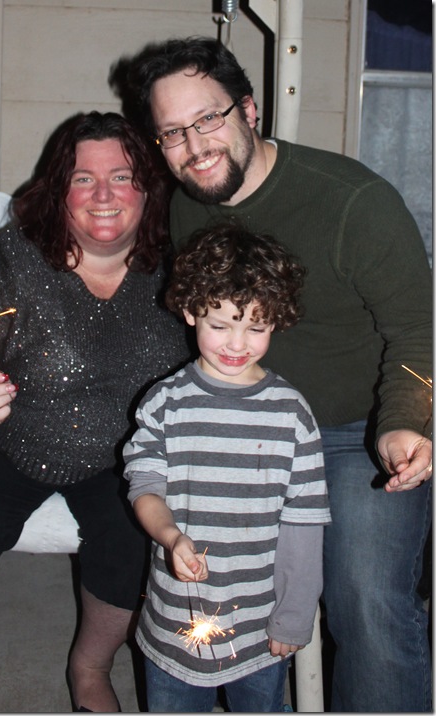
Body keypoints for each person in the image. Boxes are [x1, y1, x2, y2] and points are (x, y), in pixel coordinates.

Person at [114, 37, 433, 712]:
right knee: (198, 581)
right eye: (172, 132)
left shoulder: (354, 203)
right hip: (239, 423)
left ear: (249, 110)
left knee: (366, 599)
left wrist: (403, 421)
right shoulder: (188, 204)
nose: (194, 147)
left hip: (353, 432)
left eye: (208, 119)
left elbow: (418, 332)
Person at [0, 111, 190, 712]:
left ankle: (91, 669)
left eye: (121, 176)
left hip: (127, 455)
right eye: (83, 178)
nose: (103, 194)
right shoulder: (12, 260)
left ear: (148, 188)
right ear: (59, 190)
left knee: (135, 535)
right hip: (4, 443)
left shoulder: (179, 269)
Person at [123, 224, 332, 713]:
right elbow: (145, 486)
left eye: (256, 328)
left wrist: (294, 616)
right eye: (220, 325)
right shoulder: (165, 403)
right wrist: (172, 537)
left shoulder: (292, 414)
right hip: (174, 624)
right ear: (191, 311)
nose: (237, 344)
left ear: (276, 321)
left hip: (260, 630)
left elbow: (304, 525)